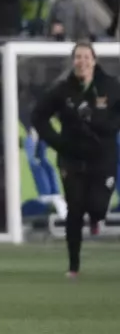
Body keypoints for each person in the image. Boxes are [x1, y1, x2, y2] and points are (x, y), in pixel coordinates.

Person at [31, 43, 120, 278]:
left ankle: (96, 218)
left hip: (103, 157)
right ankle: (73, 267)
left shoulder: (110, 86)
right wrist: (57, 142)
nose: (82, 61)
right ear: (73, 61)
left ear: (94, 59)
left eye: (86, 57)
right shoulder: (62, 90)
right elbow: (38, 116)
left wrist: (102, 125)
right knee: (75, 209)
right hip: (72, 158)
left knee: (98, 207)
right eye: (78, 57)